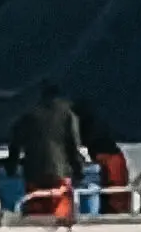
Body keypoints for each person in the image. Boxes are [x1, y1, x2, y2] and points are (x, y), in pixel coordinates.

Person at [5, 89, 89, 219]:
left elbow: (15, 144)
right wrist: (79, 171)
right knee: (60, 216)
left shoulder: (28, 114)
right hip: (60, 173)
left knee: (35, 216)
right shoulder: (67, 114)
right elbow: (73, 146)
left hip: (33, 173)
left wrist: (11, 168)